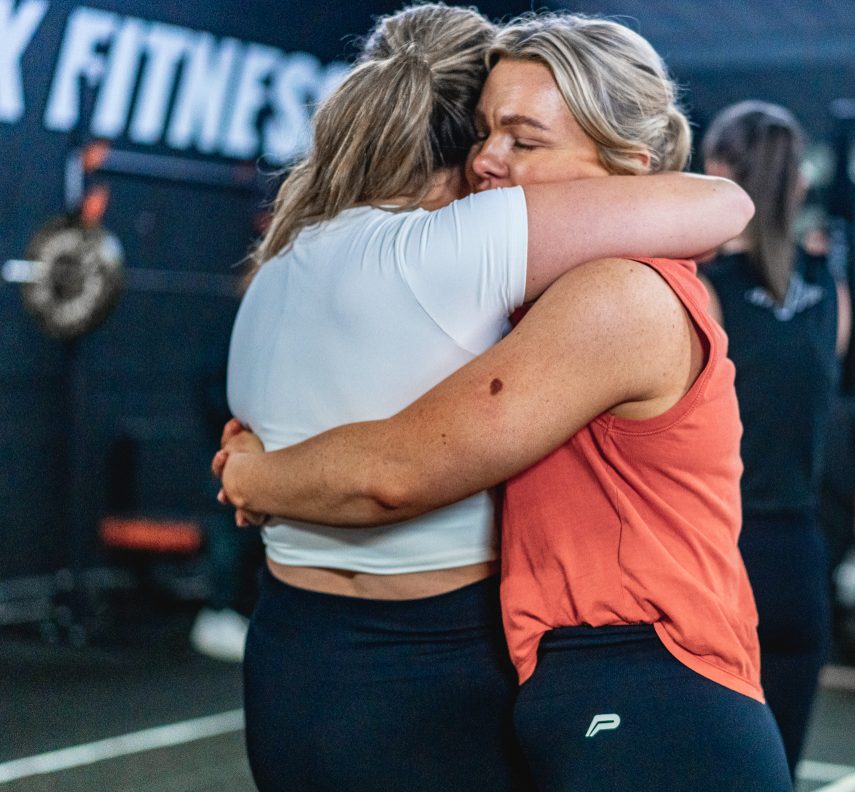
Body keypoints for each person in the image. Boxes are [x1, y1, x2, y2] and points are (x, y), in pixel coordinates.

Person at [218, 14, 791, 790]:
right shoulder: (506, 294)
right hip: (569, 681)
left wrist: (253, 477)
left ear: (632, 170)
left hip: (648, 677)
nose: (487, 160)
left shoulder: (612, 293)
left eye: (525, 140)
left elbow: (398, 469)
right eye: (483, 133)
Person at [699, 101, 848, 777]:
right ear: (799, 183)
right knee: (778, 773)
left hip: (721, 553)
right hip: (800, 557)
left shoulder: (703, 292)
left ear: (718, 169)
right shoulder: (827, 289)